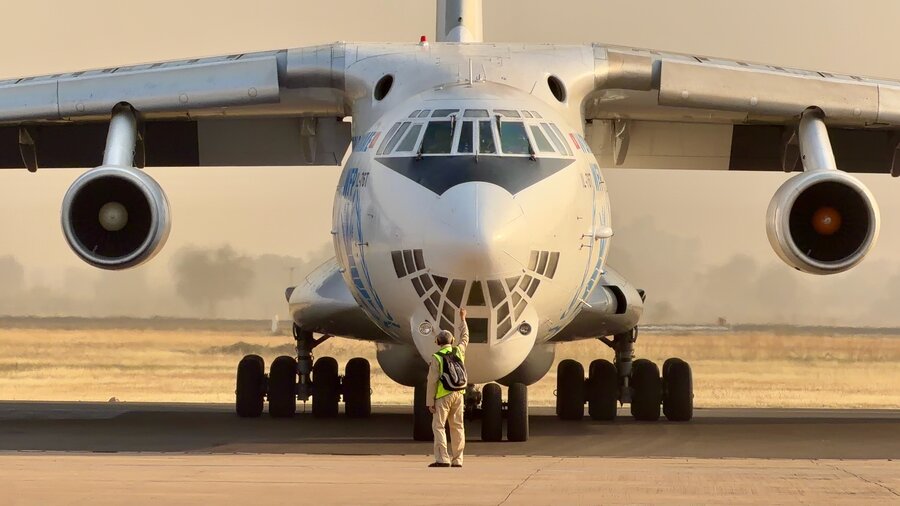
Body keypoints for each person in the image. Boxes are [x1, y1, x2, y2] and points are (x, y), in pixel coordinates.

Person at [426, 307, 469, 468]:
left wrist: (430, 401)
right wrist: (462, 319)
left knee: (439, 426)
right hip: (459, 394)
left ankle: (442, 458)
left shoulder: (437, 357)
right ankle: (458, 459)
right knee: (457, 426)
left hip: (443, 395)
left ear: (437, 342)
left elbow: (432, 381)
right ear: (451, 341)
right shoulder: (459, 352)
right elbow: (465, 337)